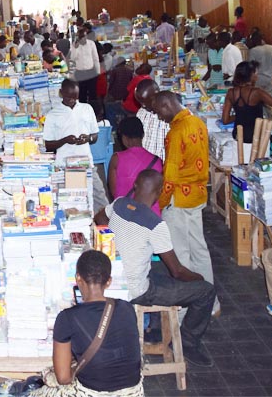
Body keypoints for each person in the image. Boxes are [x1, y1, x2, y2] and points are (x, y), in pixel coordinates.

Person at [95, 170, 216, 367]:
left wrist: (117, 241)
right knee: (206, 291)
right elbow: (177, 271)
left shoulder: (119, 204)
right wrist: (199, 278)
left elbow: (100, 217)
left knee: (158, 270)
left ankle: (156, 328)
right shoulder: (155, 224)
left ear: (135, 185)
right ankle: (189, 343)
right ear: (160, 192)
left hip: (114, 277)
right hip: (137, 291)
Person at [30, 251, 143, 397]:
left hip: (91, 393)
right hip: (133, 392)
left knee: (36, 392)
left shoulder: (67, 318)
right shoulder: (127, 308)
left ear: (78, 278)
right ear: (108, 281)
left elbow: (63, 378)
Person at [154, 91, 218, 315]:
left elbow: (169, 176)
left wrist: (160, 203)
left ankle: (186, 310)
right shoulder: (198, 122)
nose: (159, 117)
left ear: (166, 105)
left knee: (180, 254)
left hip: (178, 199)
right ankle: (212, 303)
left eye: (158, 111)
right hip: (198, 195)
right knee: (199, 249)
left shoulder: (176, 131)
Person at [43, 79, 108, 211]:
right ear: (61, 93)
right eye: (68, 97)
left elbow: (95, 136)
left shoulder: (87, 109)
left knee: (99, 197)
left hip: (86, 162)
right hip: (64, 164)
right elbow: (48, 145)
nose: (72, 101)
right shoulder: (53, 115)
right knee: (71, 202)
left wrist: (88, 138)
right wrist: (64, 140)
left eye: (75, 97)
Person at [222, 61, 272, 161]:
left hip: (239, 137)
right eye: (255, 73)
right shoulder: (257, 92)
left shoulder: (231, 93)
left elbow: (225, 120)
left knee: (239, 170)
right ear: (250, 75)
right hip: (257, 139)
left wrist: (240, 114)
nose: (257, 76)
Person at [107, 117, 163, 215]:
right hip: (152, 217)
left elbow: (114, 192)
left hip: (124, 215)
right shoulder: (157, 161)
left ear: (124, 137)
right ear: (143, 135)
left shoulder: (117, 159)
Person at [134, 80, 169, 160]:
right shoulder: (141, 113)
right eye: (140, 102)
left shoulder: (171, 115)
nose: (143, 105)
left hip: (164, 165)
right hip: (146, 163)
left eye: (145, 101)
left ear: (156, 96)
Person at [70, 26, 101, 103]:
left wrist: (98, 71)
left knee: (92, 93)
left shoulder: (91, 44)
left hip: (91, 72)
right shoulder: (74, 45)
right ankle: (83, 111)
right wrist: (76, 48)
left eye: (84, 36)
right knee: (81, 94)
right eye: (81, 37)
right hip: (80, 73)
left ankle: (93, 110)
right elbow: (72, 59)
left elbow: (95, 58)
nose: (83, 39)